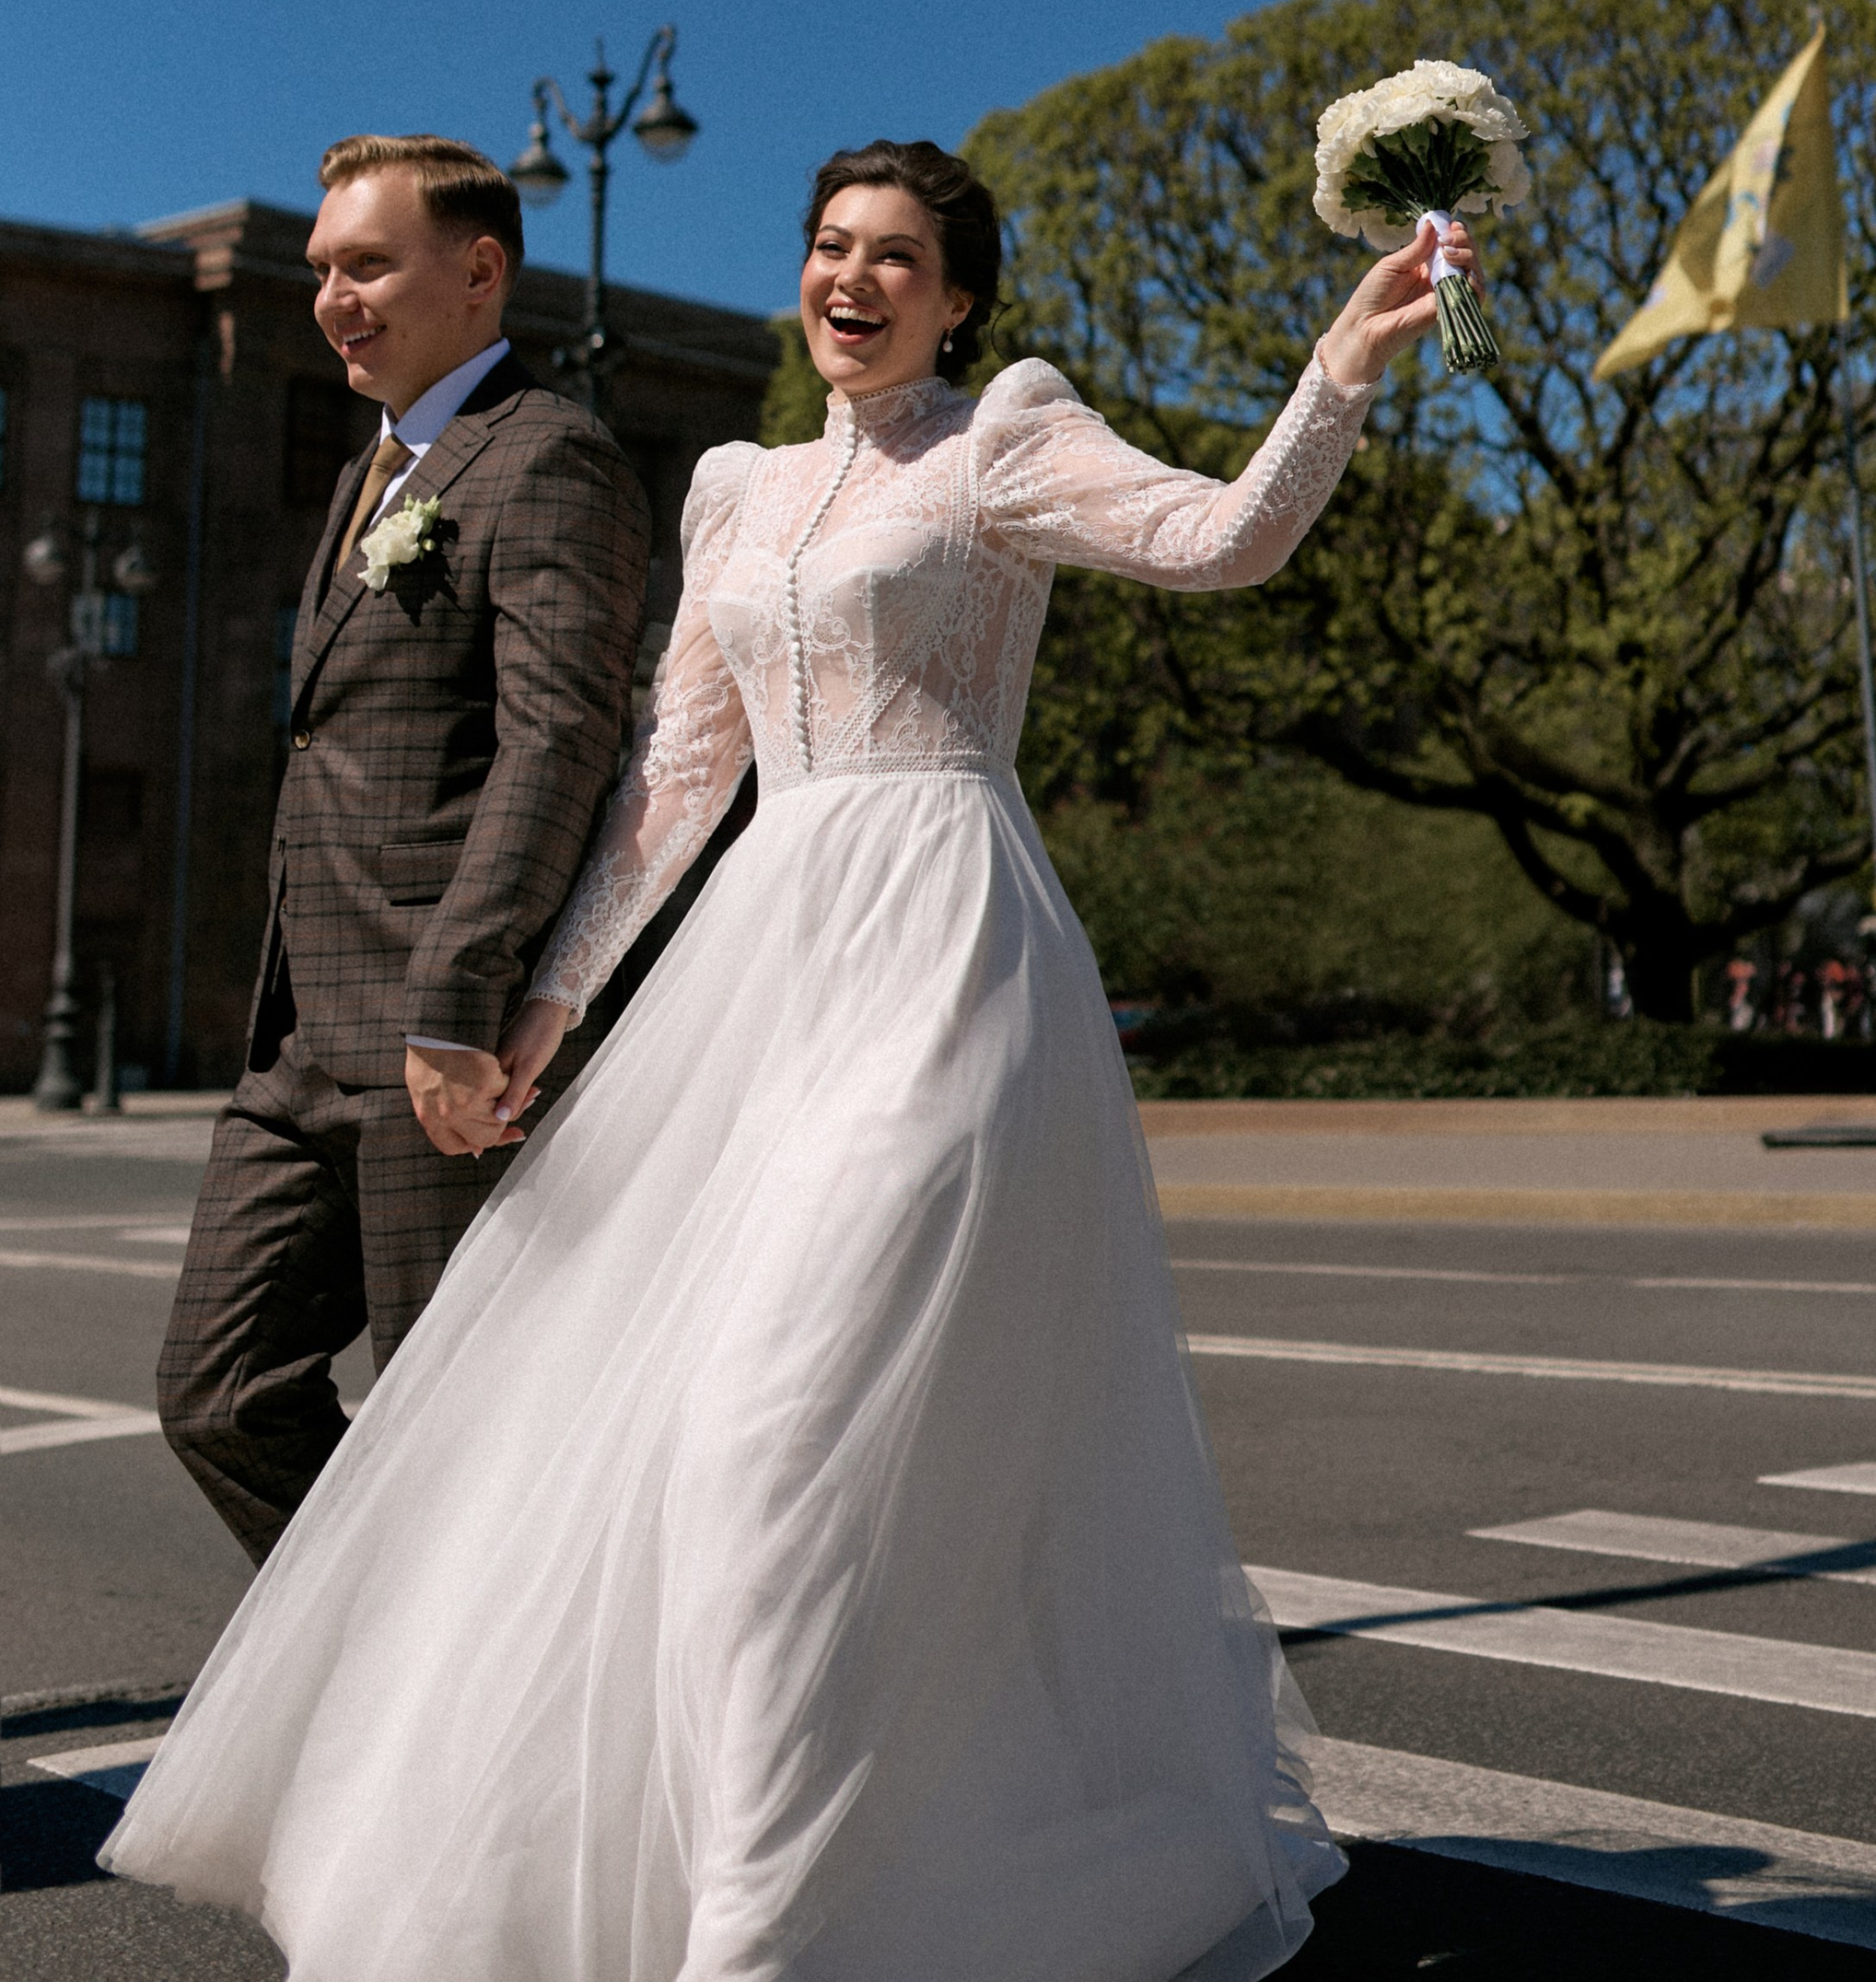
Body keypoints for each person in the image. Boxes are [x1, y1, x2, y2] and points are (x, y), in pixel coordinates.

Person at [109, 138, 1478, 1982]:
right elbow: (672, 785)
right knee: (709, 1455)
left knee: (778, 1437)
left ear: (960, 294)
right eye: (829, 247)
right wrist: (535, 1019)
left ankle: (754, 1942)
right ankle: (816, 1859)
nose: (852, 280)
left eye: (896, 257)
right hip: (762, 964)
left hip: (944, 957)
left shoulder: (1006, 435)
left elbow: (1219, 542)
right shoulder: (733, 491)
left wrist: (1338, 370)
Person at [155, 134, 651, 1561]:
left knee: (462, 1427)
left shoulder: (550, 457)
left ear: (481, 270)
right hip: (298, 1042)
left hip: (441, 1046)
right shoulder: (372, 474)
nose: (333, 297)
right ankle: (380, 1663)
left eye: (367, 264)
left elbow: (560, 744)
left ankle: (481, 1747)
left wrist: (458, 999)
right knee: (218, 1393)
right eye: (320, 270)